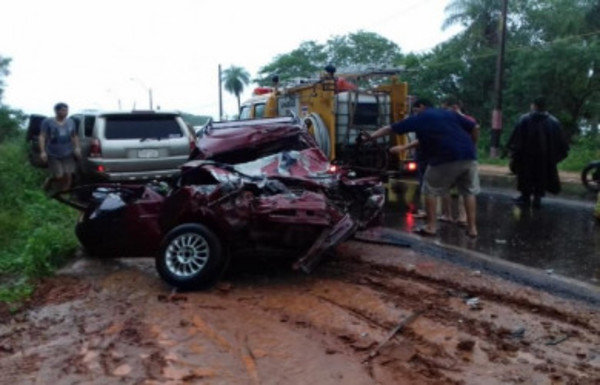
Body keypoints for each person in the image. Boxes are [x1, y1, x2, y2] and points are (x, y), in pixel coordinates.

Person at [364, 98, 480, 238]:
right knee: (468, 192)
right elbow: (475, 127)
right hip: (469, 157)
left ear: (421, 107)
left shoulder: (420, 118)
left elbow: (390, 129)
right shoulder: (449, 114)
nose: (414, 113)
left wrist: (370, 137)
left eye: (414, 110)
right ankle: (472, 229)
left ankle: (431, 227)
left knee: (430, 189)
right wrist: (472, 144)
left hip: (444, 157)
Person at [506, 97, 569, 208]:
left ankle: (525, 198)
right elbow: (561, 144)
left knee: (525, 176)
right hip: (545, 158)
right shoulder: (554, 122)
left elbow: (516, 140)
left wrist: (513, 153)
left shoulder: (524, 119)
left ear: (534, 105)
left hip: (526, 156)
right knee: (541, 176)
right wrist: (554, 157)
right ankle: (537, 199)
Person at [439, 97, 478, 226]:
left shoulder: (449, 121)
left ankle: (448, 215)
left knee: (445, 187)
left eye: (444, 108)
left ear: (454, 107)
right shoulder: (470, 120)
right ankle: (463, 217)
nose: (443, 111)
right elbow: (475, 136)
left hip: (449, 158)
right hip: (467, 158)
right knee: (465, 190)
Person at [39, 102, 81, 194]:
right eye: (63, 110)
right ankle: (48, 182)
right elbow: (42, 136)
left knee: (68, 175)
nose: (65, 112)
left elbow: (74, 135)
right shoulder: (48, 122)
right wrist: (43, 152)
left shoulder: (71, 122)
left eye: (66, 110)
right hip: (53, 153)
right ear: (56, 111)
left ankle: (63, 194)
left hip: (68, 153)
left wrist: (77, 147)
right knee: (59, 176)